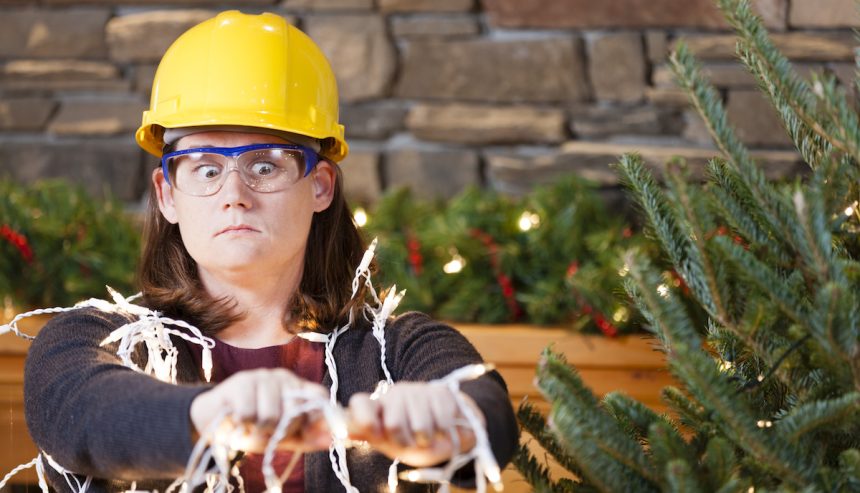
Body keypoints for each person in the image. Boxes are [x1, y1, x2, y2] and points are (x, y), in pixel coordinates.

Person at [23, 10, 518, 493]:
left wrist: (449, 420)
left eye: (265, 165)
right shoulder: (91, 340)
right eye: (205, 167)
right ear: (167, 194)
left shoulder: (399, 349)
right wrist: (211, 414)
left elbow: (490, 415)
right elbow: (78, 413)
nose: (234, 193)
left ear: (320, 186)